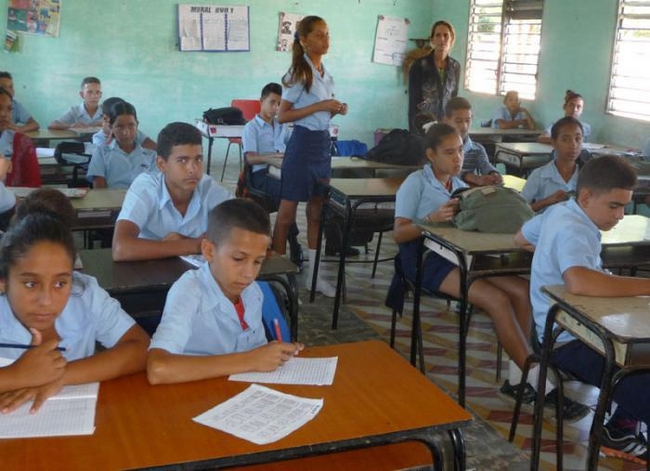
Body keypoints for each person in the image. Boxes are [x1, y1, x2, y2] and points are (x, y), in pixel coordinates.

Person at [393, 123, 587, 420]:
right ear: (431, 154)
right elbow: (399, 234)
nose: (457, 158)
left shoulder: (457, 183)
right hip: (425, 259)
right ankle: (542, 384)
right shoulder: (415, 183)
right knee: (496, 300)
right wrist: (429, 219)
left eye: (460, 150)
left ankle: (517, 380)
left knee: (522, 291)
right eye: (449, 152)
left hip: (459, 256)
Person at [515, 155, 650, 460]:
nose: (621, 215)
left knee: (642, 355)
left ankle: (619, 430)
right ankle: (620, 428)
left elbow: (520, 238)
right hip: (569, 340)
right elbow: (577, 281)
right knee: (640, 372)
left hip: (576, 326)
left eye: (625, 206)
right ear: (586, 196)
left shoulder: (561, 212)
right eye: (614, 206)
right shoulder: (572, 226)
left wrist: (552, 254)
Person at [0, 212, 149, 413]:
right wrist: (15, 376)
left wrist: (60, 376)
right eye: (30, 284)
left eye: (60, 283)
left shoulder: (85, 295)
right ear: (4, 283)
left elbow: (141, 348)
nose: (46, 300)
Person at [147, 199, 303, 384]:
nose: (249, 274)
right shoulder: (190, 291)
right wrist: (252, 359)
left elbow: (254, 352)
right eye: (238, 258)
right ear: (209, 251)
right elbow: (158, 368)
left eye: (257, 262)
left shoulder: (252, 292)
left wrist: (273, 353)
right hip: (192, 394)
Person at [273, 15, 348, 297]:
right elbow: (283, 115)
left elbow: (321, 111)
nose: (325, 40)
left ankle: (314, 276)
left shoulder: (326, 75)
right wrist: (320, 105)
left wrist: (334, 108)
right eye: (318, 35)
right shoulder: (298, 74)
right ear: (303, 40)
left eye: (327, 34)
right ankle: (277, 275)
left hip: (321, 145)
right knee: (286, 215)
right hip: (302, 144)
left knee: (317, 211)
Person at [112, 122, 231, 262]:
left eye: (198, 159)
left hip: (196, 276)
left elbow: (246, 225)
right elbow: (121, 248)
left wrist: (185, 242)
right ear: (162, 164)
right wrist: (197, 244)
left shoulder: (207, 186)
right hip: (148, 274)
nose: (193, 169)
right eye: (182, 160)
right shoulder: (147, 187)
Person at [242, 82, 302, 266]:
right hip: (261, 175)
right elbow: (250, 159)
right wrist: (271, 158)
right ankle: (290, 243)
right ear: (262, 101)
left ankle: (284, 244)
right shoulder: (251, 128)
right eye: (272, 102)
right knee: (288, 196)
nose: (275, 108)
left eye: (279, 104)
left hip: (280, 172)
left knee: (293, 191)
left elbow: (292, 147)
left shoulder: (282, 126)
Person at [86, 101, 156, 189]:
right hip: (111, 202)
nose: (126, 133)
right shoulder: (101, 153)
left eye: (131, 126)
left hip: (144, 202)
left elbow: (154, 189)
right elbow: (100, 191)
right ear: (111, 127)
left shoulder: (151, 156)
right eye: (120, 127)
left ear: (137, 125)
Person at [522, 117, 584, 213]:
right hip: (543, 227)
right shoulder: (539, 175)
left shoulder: (586, 177)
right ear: (554, 142)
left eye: (578, 139)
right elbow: (520, 209)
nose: (573, 145)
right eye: (566, 139)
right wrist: (548, 201)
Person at [408, 20, 460, 132]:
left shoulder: (455, 66)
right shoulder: (419, 66)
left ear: (451, 40)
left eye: (446, 35)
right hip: (423, 125)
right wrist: (415, 131)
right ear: (432, 40)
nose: (442, 39)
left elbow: (453, 99)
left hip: (446, 124)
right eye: (438, 35)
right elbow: (414, 102)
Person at [444, 97, 502, 187]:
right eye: (458, 121)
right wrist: (469, 176)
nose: (464, 126)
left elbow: (485, 164)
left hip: (468, 194)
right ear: (446, 121)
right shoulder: (439, 148)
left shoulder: (477, 149)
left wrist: (493, 174)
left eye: (468, 121)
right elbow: (444, 170)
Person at [0, 87, 41, 187]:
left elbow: (33, 185)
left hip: (16, 201)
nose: (4, 114)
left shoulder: (21, 142)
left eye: (9, 109)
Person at [92, 97, 156, 151]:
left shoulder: (133, 131)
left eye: (130, 125)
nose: (126, 132)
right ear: (105, 118)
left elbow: (153, 147)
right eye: (120, 126)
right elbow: (105, 155)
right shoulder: (98, 138)